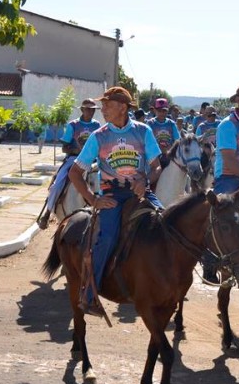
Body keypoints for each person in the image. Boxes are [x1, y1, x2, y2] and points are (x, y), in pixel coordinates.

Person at [68, 86, 162, 316]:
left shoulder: (143, 131)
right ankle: (90, 293)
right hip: (112, 195)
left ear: (122, 107)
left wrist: (146, 179)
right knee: (107, 236)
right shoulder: (99, 136)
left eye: (107, 105)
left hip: (139, 191)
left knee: (166, 223)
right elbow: (74, 172)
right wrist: (93, 200)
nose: (103, 109)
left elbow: (156, 166)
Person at [37, 98, 102, 229]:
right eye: (88, 109)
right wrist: (76, 150)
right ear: (82, 110)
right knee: (58, 183)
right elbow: (64, 147)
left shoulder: (97, 126)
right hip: (75, 159)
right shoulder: (73, 125)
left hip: (94, 160)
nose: (91, 112)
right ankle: (47, 213)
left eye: (93, 110)